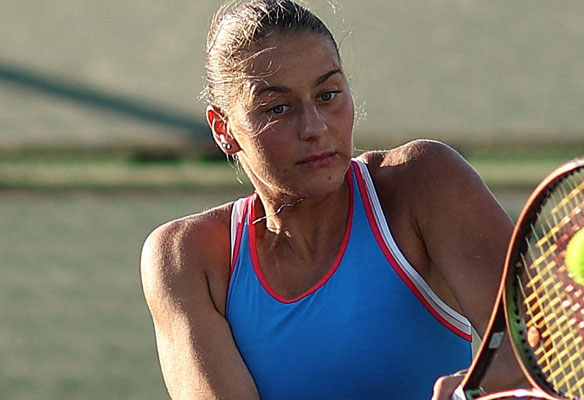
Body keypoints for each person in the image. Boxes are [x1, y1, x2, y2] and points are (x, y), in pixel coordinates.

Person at [140, 1, 524, 399]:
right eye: (279, 108)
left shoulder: (424, 182)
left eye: (328, 95)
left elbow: (541, 357)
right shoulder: (185, 258)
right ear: (224, 129)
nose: (314, 127)